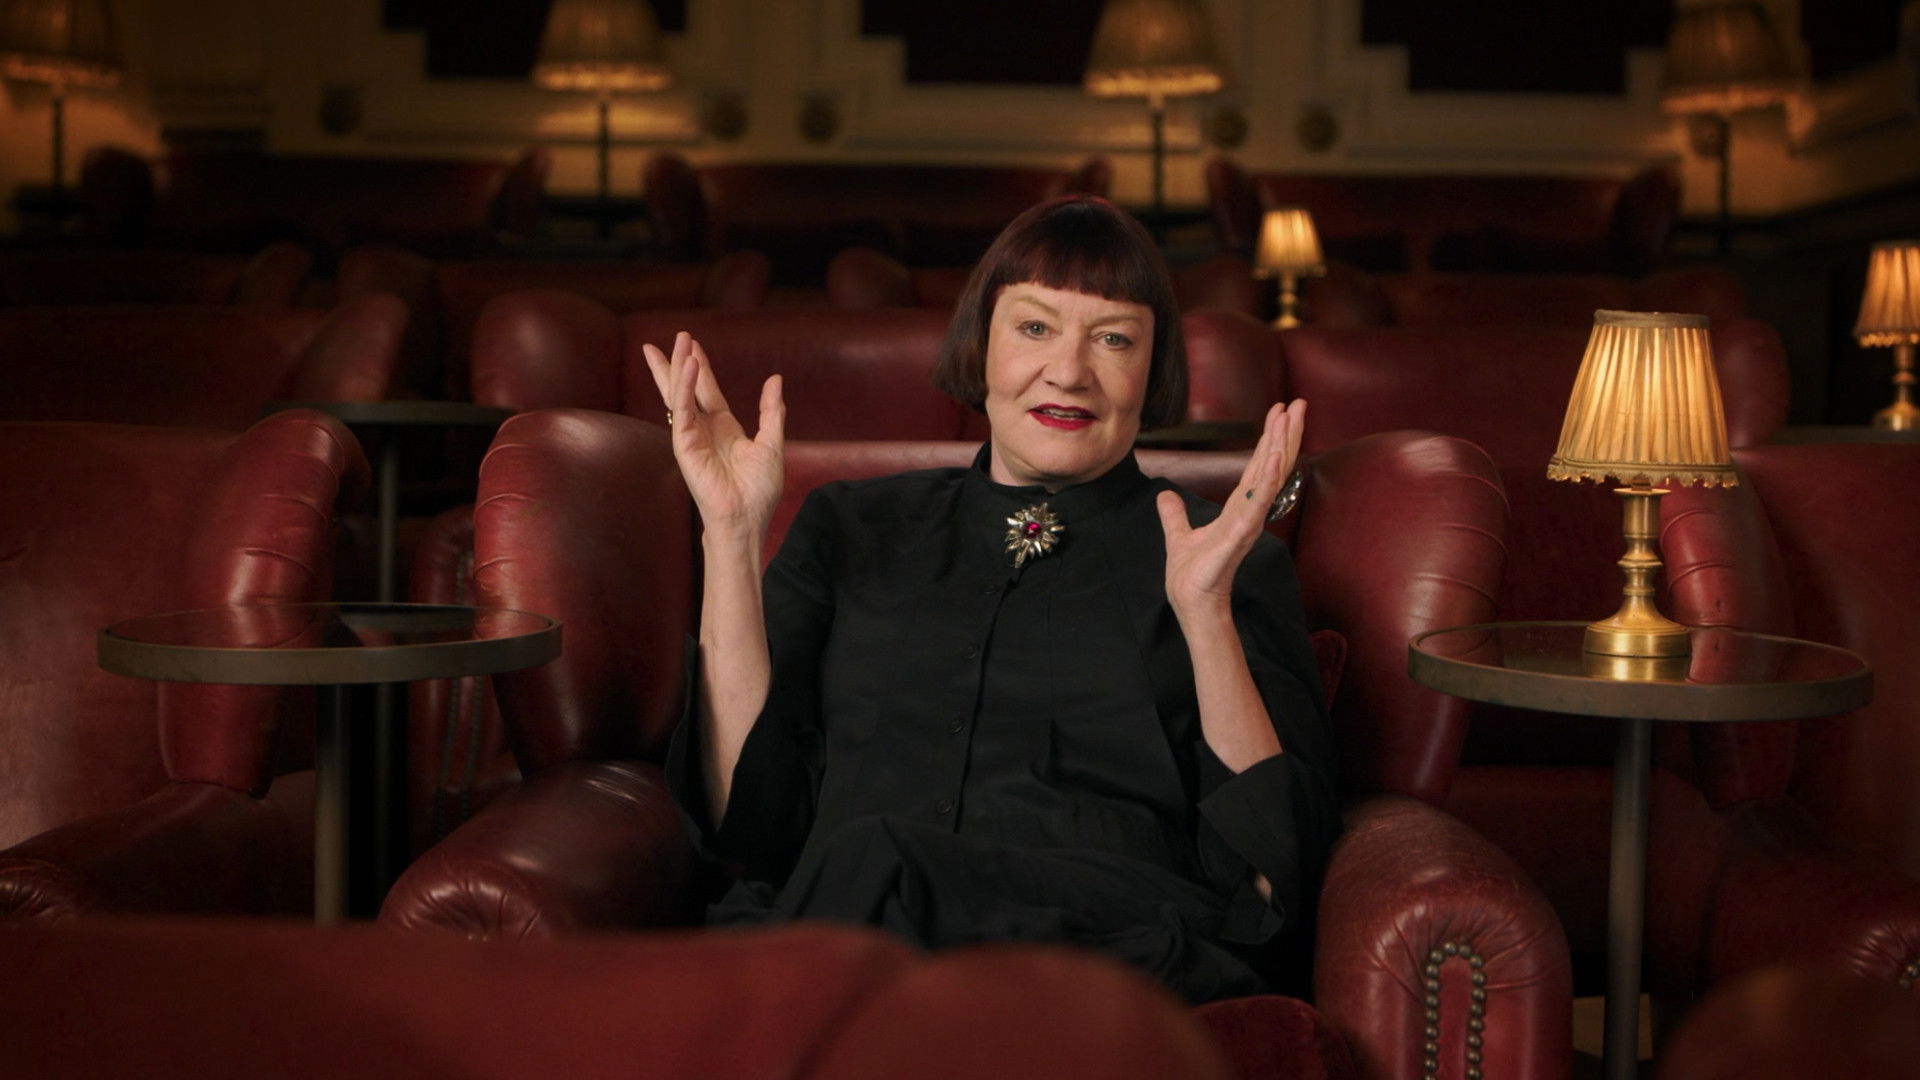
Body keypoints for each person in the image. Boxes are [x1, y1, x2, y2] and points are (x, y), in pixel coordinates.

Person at [644, 196, 1340, 1004]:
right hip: (852, 932)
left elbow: (1268, 882)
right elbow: (747, 822)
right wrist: (731, 533)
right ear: (982, 346)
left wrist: (1205, 608)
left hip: (1106, 952)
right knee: (864, 868)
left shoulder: (1223, 556)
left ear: (1155, 372)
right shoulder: (851, 526)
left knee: (871, 866)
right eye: (1035, 327)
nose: (1069, 371)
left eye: (1114, 339)